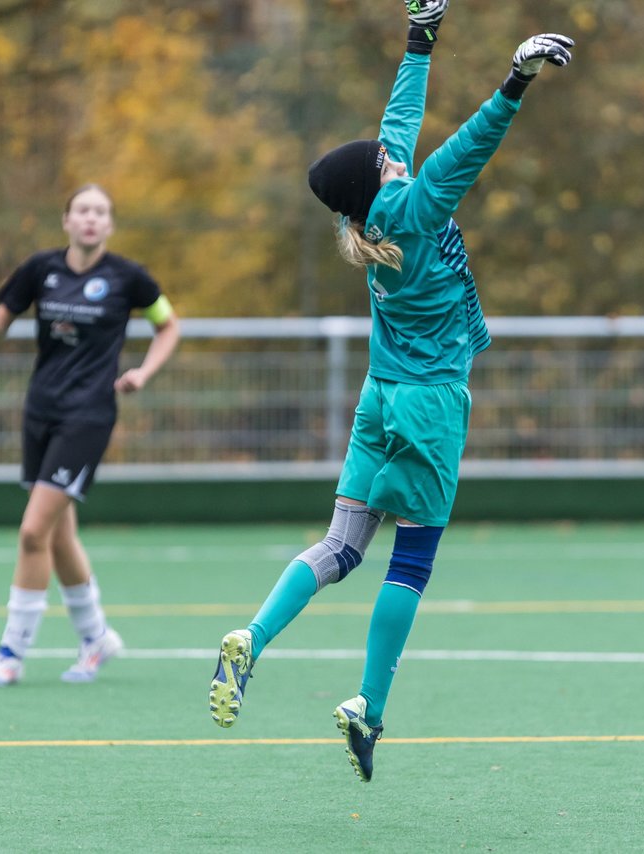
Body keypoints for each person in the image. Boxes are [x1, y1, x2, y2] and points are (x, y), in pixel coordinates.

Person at [207, 0, 573, 782]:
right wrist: (515, 80)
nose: (390, 149)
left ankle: (252, 637)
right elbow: (469, 150)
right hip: (430, 404)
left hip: (379, 400)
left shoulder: (375, 206)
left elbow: (400, 115)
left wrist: (422, 36)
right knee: (412, 561)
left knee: (341, 546)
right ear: (379, 181)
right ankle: (368, 706)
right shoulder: (410, 204)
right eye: (381, 155)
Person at [0, 183, 181, 687]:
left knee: (33, 531)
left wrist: (143, 372)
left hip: (88, 417)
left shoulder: (128, 278)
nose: (91, 219)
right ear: (67, 220)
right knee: (57, 535)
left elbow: (169, 326)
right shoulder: (40, 270)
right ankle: (95, 635)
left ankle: (12, 652)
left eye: (101, 212)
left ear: (110, 224)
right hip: (40, 412)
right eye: (82, 210)